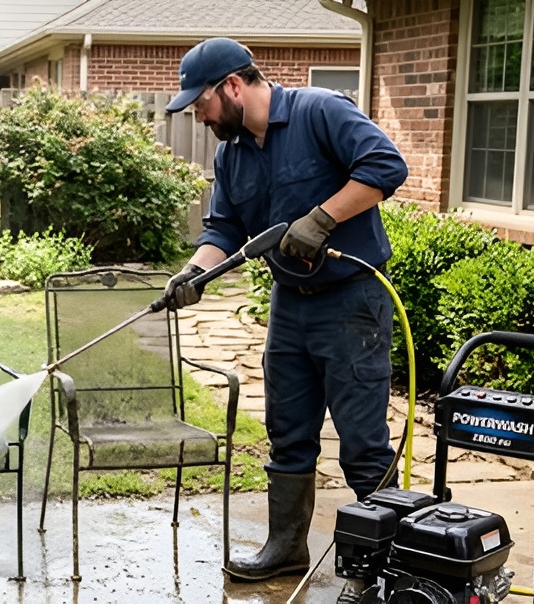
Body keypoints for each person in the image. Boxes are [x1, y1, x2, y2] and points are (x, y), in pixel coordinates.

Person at [161, 37, 409, 582]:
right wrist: (195, 272)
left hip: (352, 302)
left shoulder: (320, 111)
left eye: (200, 103)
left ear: (231, 86)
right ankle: (286, 546)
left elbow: (386, 165)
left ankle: (396, 562)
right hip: (289, 306)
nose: (199, 116)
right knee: (288, 433)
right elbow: (224, 228)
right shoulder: (232, 153)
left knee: (363, 445)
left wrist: (322, 218)